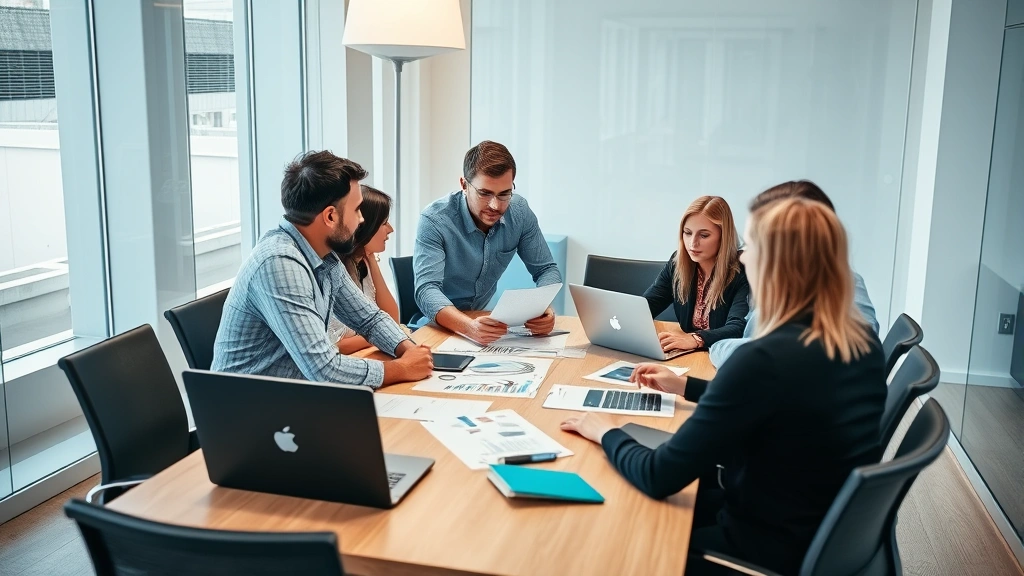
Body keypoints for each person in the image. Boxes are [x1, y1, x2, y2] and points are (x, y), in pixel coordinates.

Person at [561, 197, 887, 575]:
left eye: (752, 247)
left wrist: (605, 431)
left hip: (756, 550)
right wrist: (687, 387)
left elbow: (658, 475)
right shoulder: (861, 346)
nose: (743, 257)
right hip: (815, 531)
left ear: (773, 264)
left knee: (617, 534)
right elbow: (771, 401)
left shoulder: (763, 359)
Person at [212, 151, 433, 388]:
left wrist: (409, 351)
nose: (361, 219)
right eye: (357, 209)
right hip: (248, 403)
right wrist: (402, 368)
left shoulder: (324, 255)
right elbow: (324, 369)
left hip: (293, 394)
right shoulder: (279, 264)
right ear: (330, 216)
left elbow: (369, 319)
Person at [708, 180, 879, 368]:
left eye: (754, 245)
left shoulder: (847, 286)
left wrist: (719, 346)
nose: (744, 257)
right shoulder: (777, 289)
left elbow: (856, 347)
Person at [413, 140, 562, 344]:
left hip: (486, 324)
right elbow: (426, 290)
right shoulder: (434, 220)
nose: (495, 205)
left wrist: (543, 309)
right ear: (464, 185)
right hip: (440, 326)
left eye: (504, 194)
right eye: (485, 193)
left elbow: (546, 269)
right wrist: (468, 327)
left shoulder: (519, 212)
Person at [643, 196, 749, 353]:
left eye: (704, 235)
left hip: (722, 357)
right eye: (687, 233)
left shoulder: (743, 270)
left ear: (723, 236)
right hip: (688, 355)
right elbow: (646, 307)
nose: (692, 243)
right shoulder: (677, 263)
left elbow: (739, 328)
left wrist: (696, 339)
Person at [328, 185, 401, 354]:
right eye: (384, 223)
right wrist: (381, 335)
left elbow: (393, 320)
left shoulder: (362, 262)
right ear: (364, 226)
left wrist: (371, 259)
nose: (391, 229)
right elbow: (336, 346)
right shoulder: (333, 270)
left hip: (363, 356)